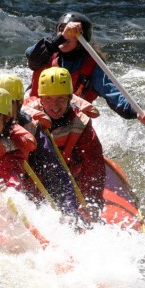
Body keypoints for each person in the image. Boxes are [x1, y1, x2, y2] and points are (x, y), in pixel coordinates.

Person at [25, 11, 145, 124]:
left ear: (82, 38)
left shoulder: (92, 66)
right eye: (62, 29)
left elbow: (113, 92)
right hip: (37, 113)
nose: (66, 34)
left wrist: (136, 111)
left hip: (68, 119)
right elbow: (31, 56)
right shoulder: (45, 53)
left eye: (71, 32)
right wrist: (61, 38)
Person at [0, 74, 79, 215]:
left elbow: (57, 176)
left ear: (19, 103)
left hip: (23, 192)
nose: (0, 110)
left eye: (7, 103)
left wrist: (69, 213)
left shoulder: (33, 132)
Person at [26, 67, 106, 220]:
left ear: (70, 98)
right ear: (40, 99)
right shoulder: (26, 117)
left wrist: (92, 201)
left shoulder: (80, 122)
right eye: (49, 99)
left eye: (61, 99)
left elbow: (93, 165)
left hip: (69, 179)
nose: (55, 106)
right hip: (36, 179)